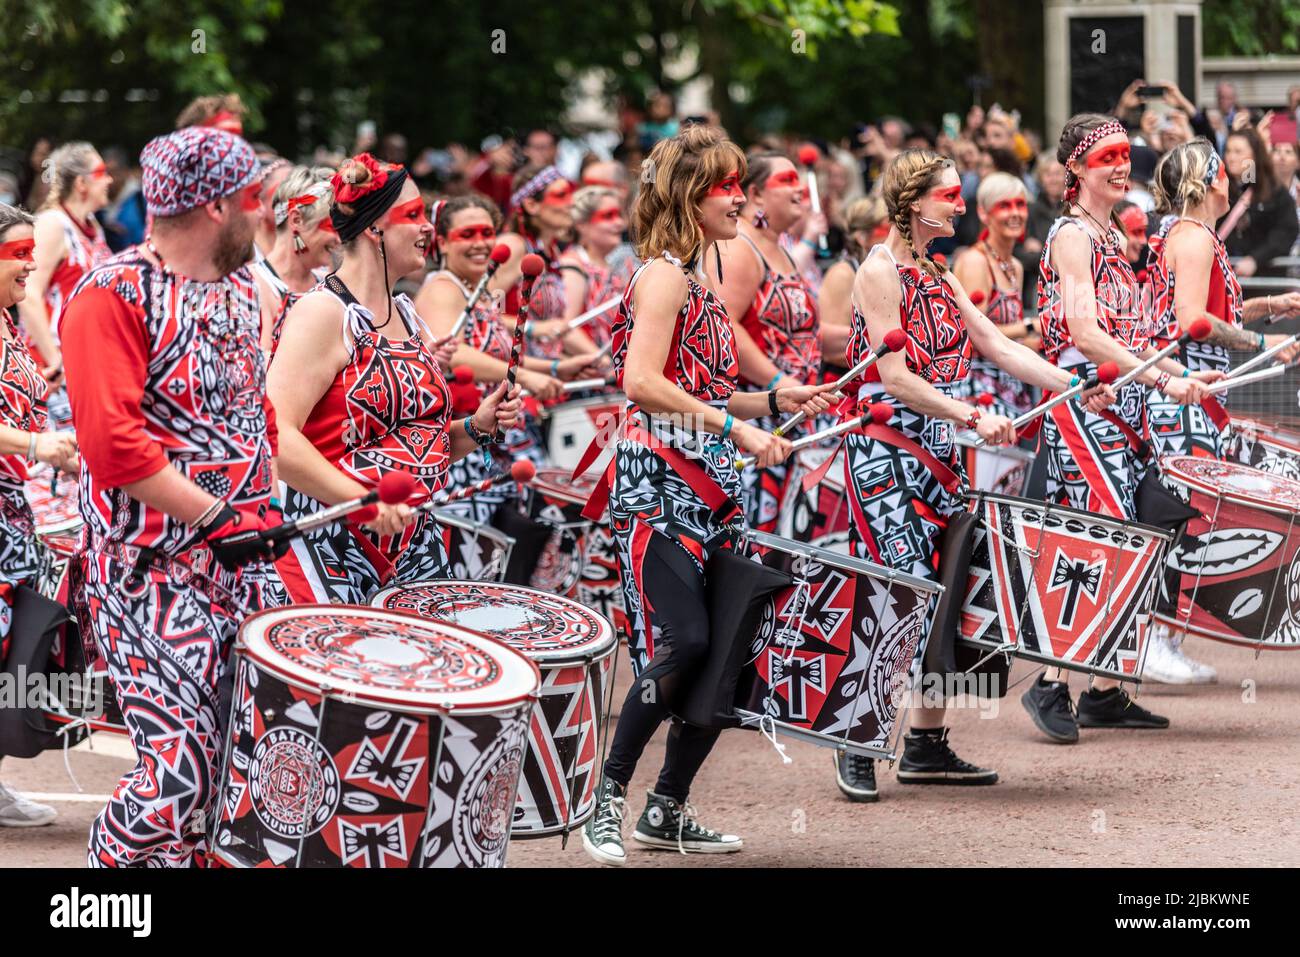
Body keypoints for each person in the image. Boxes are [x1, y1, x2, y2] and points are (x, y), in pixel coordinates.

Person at [582, 126, 833, 865]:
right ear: (691, 197)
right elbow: (641, 383)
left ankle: (669, 808)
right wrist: (737, 424)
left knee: (730, 652)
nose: (739, 198)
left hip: (713, 493)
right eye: (725, 187)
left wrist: (779, 398)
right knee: (685, 641)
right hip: (659, 489)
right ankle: (608, 796)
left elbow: (707, 389)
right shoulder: (662, 274)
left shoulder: (698, 281)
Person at [833, 148, 1115, 802]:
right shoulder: (880, 270)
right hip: (888, 454)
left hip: (944, 450)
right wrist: (970, 411)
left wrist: (1071, 384)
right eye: (947, 196)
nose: (959, 207)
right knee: (898, 591)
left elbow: (995, 344)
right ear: (911, 205)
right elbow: (894, 376)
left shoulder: (938, 271)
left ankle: (925, 744)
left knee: (950, 589)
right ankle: (855, 735)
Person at [61, 126, 283, 867]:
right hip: (144, 571)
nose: (266, 216)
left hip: (240, 567)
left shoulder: (248, 289)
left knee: (231, 773)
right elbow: (113, 445)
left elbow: (259, 413)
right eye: (257, 199)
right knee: (178, 771)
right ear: (218, 206)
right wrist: (220, 516)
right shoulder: (112, 292)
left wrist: (266, 505)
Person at [1020, 114, 1219, 743]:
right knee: (1092, 540)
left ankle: (1103, 688)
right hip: (1085, 403)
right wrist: (1163, 380)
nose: (1120, 164)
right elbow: (1083, 333)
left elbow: (1134, 325)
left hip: (1122, 402)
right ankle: (1049, 681)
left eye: (1124, 153)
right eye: (1104, 155)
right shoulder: (1073, 236)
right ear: (1075, 168)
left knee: (1131, 536)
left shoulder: (1110, 234)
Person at [269, 153, 520, 605]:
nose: (428, 227)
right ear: (373, 228)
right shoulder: (323, 313)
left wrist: (476, 427)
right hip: (332, 546)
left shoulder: (407, 315)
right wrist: (363, 499)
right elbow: (276, 435)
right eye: (414, 215)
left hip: (413, 547)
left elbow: (417, 440)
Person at [1143, 138, 1300, 683]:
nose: (1231, 175)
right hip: (1185, 394)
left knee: (1185, 513)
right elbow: (1194, 322)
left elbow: (1216, 311)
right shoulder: (1196, 240)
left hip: (1190, 393)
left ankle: (1163, 637)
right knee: (1182, 513)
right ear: (1209, 180)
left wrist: (1269, 307)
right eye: (1222, 170)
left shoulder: (1181, 234)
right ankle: (1153, 639)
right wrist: (1262, 345)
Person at [415, 195, 575, 521]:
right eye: (467, 235)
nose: (480, 243)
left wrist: (556, 367)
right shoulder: (442, 289)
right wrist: (528, 379)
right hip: (465, 452)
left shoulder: (477, 292)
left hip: (499, 446)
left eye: (487, 234)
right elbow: (454, 353)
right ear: (442, 243)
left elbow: (499, 356)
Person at [0, 204, 80, 827]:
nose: (32, 262)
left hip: (11, 511)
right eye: (18, 253)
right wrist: (33, 445)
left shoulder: (8, 322)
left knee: (9, 656)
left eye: (33, 250)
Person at [708, 152, 821, 533]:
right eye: (787, 180)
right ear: (755, 194)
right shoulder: (742, 247)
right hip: (760, 413)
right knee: (762, 532)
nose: (799, 188)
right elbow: (726, 326)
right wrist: (776, 381)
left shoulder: (781, 247)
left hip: (793, 412)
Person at [16, 142, 113, 429]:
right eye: (102, 172)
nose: (109, 179)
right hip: (54, 368)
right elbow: (29, 295)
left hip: (85, 362)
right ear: (81, 183)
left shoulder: (92, 225)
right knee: (56, 462)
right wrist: (56, 361)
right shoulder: (53, 223)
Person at [953, 172, 1038, 419]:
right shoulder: (975, 261)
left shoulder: (1016, 266)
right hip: (979, 394)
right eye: (1004, 206)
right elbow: (973, 335)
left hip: (1013, 389)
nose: (1015, 213)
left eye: (1020, 205)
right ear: (983, 213)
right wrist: (1030, 326)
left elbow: (1005, 333)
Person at [250, 165, 339, 352]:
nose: (340, 239)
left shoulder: (329, 284)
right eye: (332, 227)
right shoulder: (254, 285)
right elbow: (257, 368)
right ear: (296, 220)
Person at [818, 195, 889, 382]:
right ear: (861, 237)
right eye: (887, 228)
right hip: (843, 388)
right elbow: (830, 347)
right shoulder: (843, 274)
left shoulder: (885, 272)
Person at [1221, 128, 1299, 279]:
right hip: (1225, 282)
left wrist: (1256, 259)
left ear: (1254, 156)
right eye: (1229, 151)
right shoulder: (1219, 189)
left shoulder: (1273, 192)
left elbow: (1286, 231)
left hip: (1263, 282)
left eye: (1238, 152)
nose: (1231, 157)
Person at [558, 186, 629, 349]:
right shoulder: (573, 266)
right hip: (591, 371)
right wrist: (604, 364)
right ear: (582, 225)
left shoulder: (612, 266)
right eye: (608, 216)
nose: (619, 223)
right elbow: (565, 329)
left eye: (619, 215)